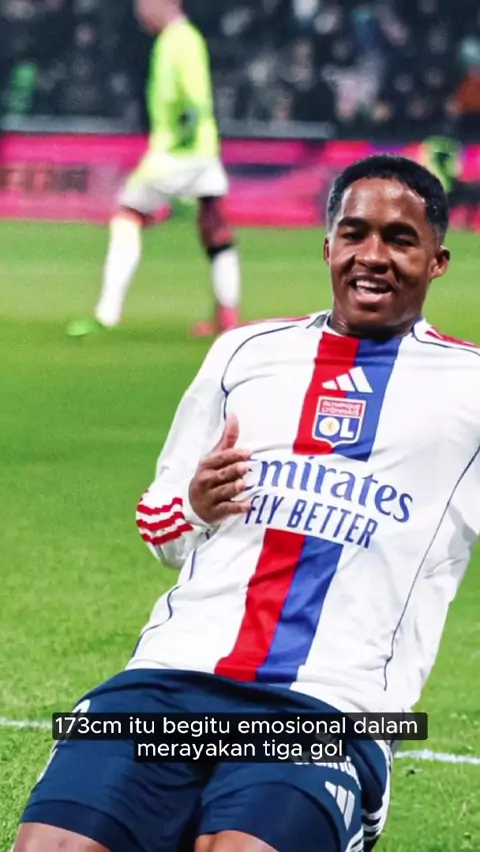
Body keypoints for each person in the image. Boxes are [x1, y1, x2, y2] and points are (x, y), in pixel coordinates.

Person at [15, 153, 480, 852]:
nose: (372, 256)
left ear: (437, 261)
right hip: (170, 682)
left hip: (328, 705)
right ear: (328, 246)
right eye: (354, 234)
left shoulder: (468, 387)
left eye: (399, 239)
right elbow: (162, 525)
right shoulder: (245, 354)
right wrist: (196, 505)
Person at [67, 0, 241, 340]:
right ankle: (227, 317)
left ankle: (107, 313)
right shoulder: (182, 38)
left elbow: (194, 100)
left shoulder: (179, 40)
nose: (139, 11)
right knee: (216, 230)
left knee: (127, 215)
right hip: (204, 150)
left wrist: (181, 140)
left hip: (177, 153)